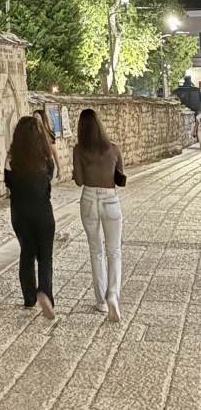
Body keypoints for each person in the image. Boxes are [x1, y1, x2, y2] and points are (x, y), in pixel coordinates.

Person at [73, 107, 124, 322]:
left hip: (88, 199)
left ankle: (101, 301)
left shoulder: (79, 150)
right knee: (114, 251)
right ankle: (113, 294)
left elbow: (79, 181)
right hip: (110, 200)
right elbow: (120, 178)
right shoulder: (114, 149)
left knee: (96, 251)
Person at [4, 115, 56, 318]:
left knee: (27, 253)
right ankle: (45, 293)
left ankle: (29, 297)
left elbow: (8, 182)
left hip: (20, 213)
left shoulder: (12, 158)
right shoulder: (45, 157)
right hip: (43, 211)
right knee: (45, 256)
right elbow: (50, 177)